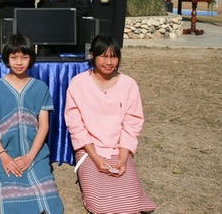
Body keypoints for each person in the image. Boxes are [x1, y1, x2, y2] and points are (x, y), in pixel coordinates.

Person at [64, 34, 156, 213]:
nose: (109, 62)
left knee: (132, 204)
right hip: (89, 151)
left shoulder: (129, 84)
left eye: (113, 57)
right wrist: (96, 159)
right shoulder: (78, 83)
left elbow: (132, 123)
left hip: (118, 149)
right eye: (103, 56)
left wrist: (123, 158)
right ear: (92, 56)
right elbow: (76, 126)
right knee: (98, 205)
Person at [0, 34, 64, 213]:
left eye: (24, 57)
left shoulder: (40, 87)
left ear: (31, 58)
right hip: (5, 151)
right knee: (13, 186)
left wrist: (29, 157)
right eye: (14, 57)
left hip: (35, 151)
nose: (19, 62)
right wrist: (3, 155)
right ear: (7, 59)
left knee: (48, 192)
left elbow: (44, 126)